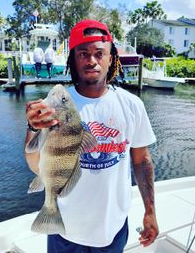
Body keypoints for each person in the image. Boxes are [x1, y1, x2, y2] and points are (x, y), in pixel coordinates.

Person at [25, 19, 159, 253]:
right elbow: (36, 166)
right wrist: (33, 127)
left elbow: (142, 161)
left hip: (113, 228)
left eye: (99, 53)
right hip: (64, 229)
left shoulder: (132, 105)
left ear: (111, 57)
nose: (91, 61)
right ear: (73, 60)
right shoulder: (55, 105)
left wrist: (150, 211)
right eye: (83, 54)